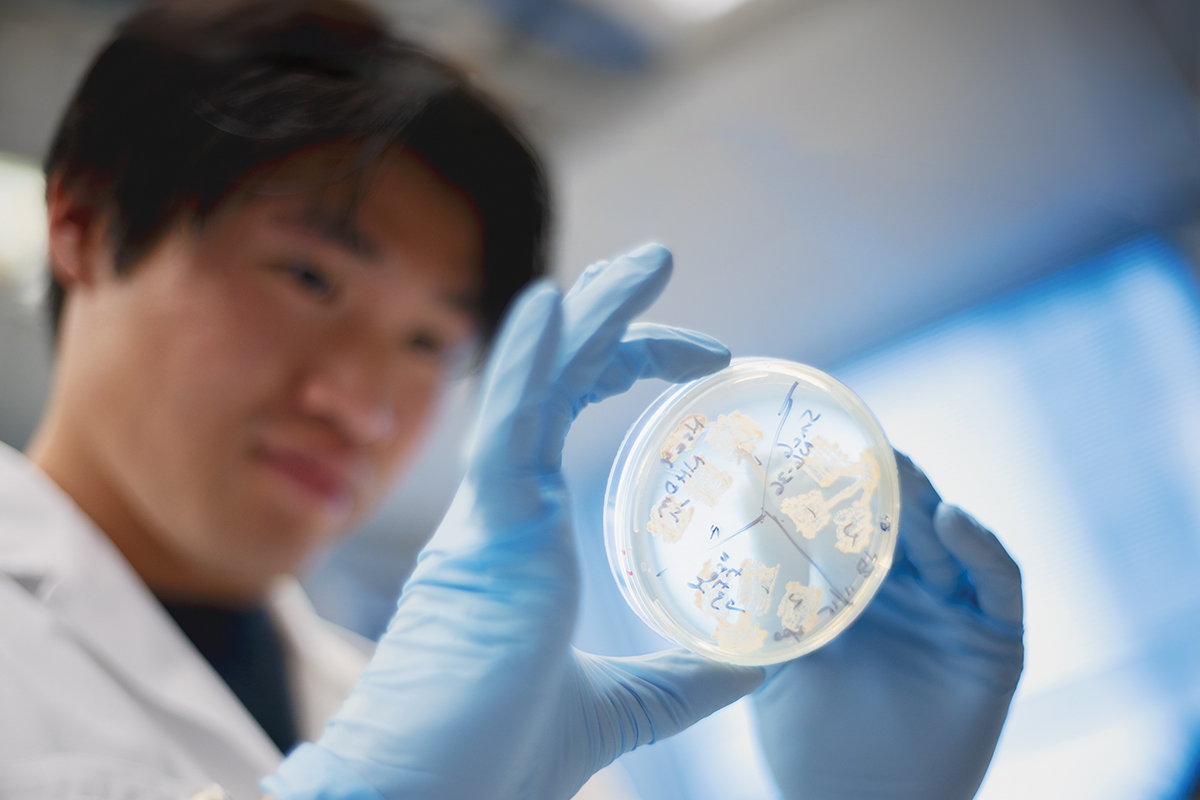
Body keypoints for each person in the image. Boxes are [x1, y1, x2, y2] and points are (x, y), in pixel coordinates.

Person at [0, 1, 1026, 799]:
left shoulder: (492, 733)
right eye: (308, 278)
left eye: (427, 341)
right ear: (84, 221)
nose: (360, 403)